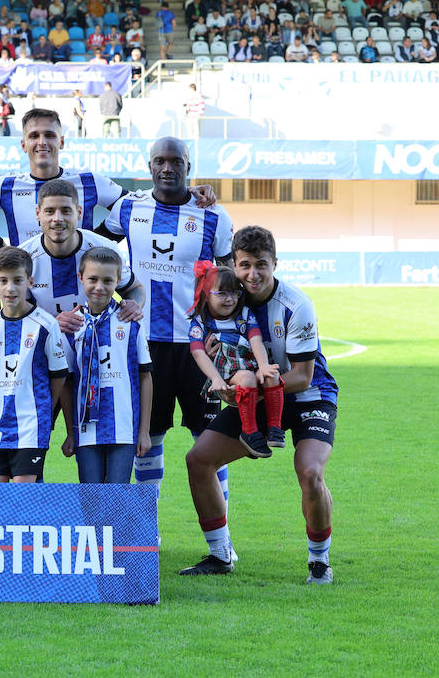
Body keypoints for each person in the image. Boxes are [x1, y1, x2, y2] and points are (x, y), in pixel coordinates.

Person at [182, 226, 339, 584]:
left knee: (310, 472)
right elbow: (207, 351)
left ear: (275, 264)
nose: (253, 275)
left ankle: (319, 561)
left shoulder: (296, 305)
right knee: (199, 460)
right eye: (245, 265)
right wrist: (224, 379)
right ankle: (221, 555)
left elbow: (301, 374)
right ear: (233, 264)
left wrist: (249, 392)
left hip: (306, 393)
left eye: (261, 265)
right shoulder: (221, 299)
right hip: (253, 391)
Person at [101, 137, 234, 520]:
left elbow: (227, 281)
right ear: (149, 166)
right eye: (160, 160)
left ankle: (221, 540)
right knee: (149, 440)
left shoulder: (213, 215)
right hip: (145, 346)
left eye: (176, 161)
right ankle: (147, 533)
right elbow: (91, 248)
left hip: (199, 347)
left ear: (188, 166)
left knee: (211, 443)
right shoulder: (128, 208)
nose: (167, 167)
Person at [57, 247, 151, 484]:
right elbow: (67, 383)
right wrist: (70, 431)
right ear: (81, 278)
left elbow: (145, 376)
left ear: (118, 281)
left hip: (123, 428)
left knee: (116, 498)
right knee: (91, 500)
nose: (99, 286)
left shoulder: (131, 322)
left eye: (108, 280)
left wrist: (144, 431)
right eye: (92, 279)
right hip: (85, 430)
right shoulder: (72, 326)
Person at [0, 247, 68, 483]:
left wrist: (45, 410)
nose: (11, 288)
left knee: (22, 496)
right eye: (4, 280)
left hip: (31, 424)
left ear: (29, 282)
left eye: (17, 280)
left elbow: (58, 375)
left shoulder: (46, 325)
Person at [0, 108, 124, 245]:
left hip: (79, 270)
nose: (42, 142)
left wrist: (97, 243)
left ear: (61, 142)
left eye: (49, 135)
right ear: (24, 145)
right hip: (26, 270)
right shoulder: (4, 186)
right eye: (34, 136)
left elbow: (131, 207)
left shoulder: (89, 181)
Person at [187, 261, 283, 458]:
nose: (229, 299)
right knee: (247, 379)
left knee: (272, 375)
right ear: (206, 293)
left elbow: (255, 340)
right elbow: (198, 353)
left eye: (234, 292)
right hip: (225, 370)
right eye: (222, 293)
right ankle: (249, 431)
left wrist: (264, 366)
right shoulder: (201, 321)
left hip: (249, 362)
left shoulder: (244, 314)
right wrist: (216, 379)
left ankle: (275, 427)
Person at [20, 178, 146, 319]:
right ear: (38, 214)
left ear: (79, 212)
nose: (57, 218)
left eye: (66, 211)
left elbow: (135, 288)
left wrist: (134, 305)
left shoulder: (106, 249)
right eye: (49, 211)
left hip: (98, 340)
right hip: (47, 339)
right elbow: (19, 315)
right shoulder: (23, 258)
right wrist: (53, 326)